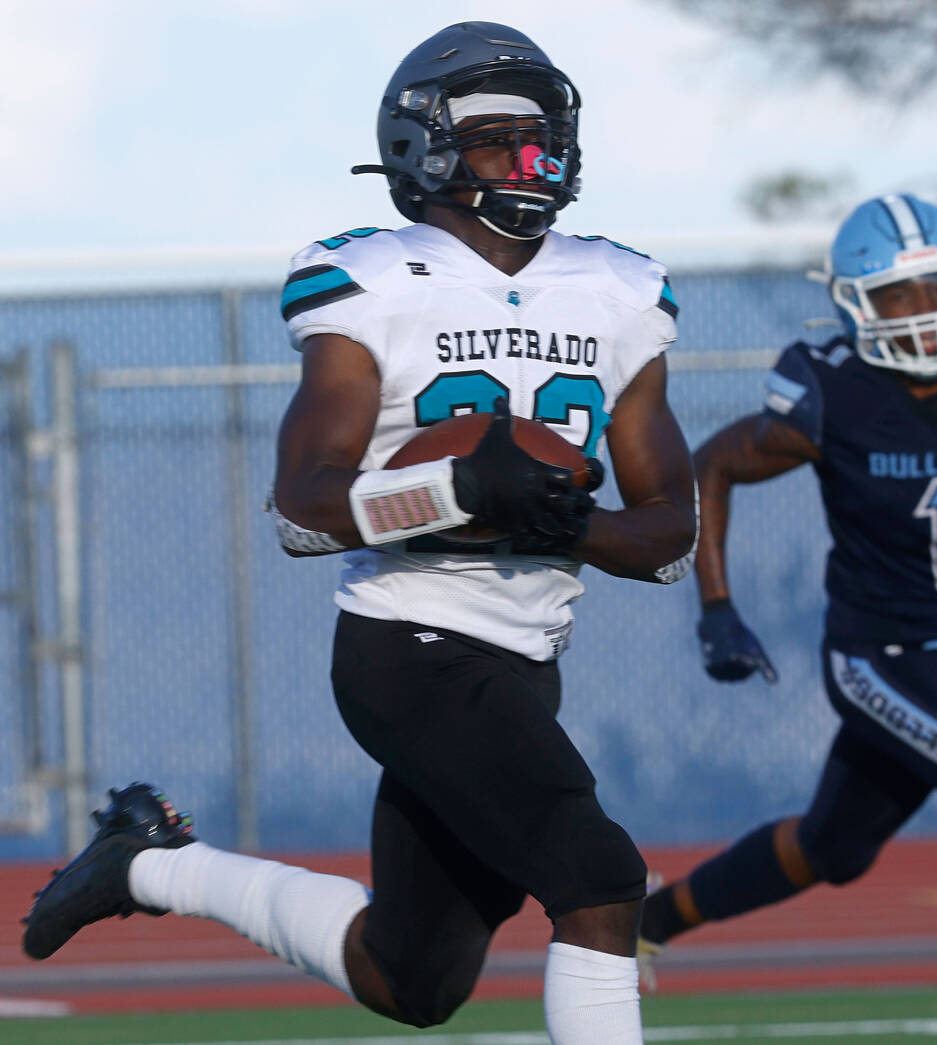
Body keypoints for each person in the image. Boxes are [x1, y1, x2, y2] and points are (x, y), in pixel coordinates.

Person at [22, 22, 695, 1044]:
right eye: (492, 134)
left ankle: (148, 861)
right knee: (600, 879)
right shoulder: (372, 278)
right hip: (410, 647)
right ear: (421, 145)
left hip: (525, 655)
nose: (528, 155)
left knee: (412, 975)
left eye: (540, 130)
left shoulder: (621, 289)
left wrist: (566, 520)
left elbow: (670, 536)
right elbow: (302, 510)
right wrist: (467, 485)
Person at [637, 194, 937, 1045]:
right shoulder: (831, 391)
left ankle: (650, 918)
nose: (926, 309)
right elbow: (711, 465)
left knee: (832, 849)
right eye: (900, 295)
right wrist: (716, 605)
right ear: (857, 303)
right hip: (876, 660)